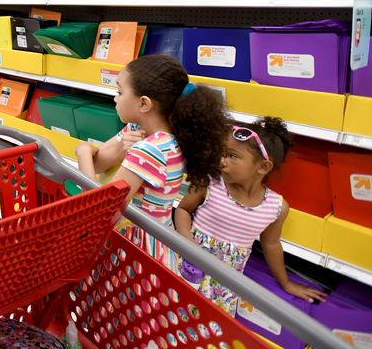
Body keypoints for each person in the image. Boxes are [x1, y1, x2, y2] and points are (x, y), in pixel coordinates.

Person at [75, 54, 228, 269]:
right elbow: (99, 164)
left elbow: (98, 213)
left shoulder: (150, 150)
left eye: (120, 92)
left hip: (136, 252)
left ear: (144, 103)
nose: (115, 98)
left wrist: (82, 153)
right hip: (152, 236)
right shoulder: (144, 132)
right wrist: (119, 149)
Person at [176, 117, 327, 316]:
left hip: (224, 286)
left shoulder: (275, 207)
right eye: (222, 153)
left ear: (263, 167)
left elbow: (271, 245)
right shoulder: (211, 183)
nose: (222, 161)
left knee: (210, 328)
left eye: (232, 156)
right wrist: (188, 244)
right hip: (187, 268)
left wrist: (287, 283)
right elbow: (183, 210)